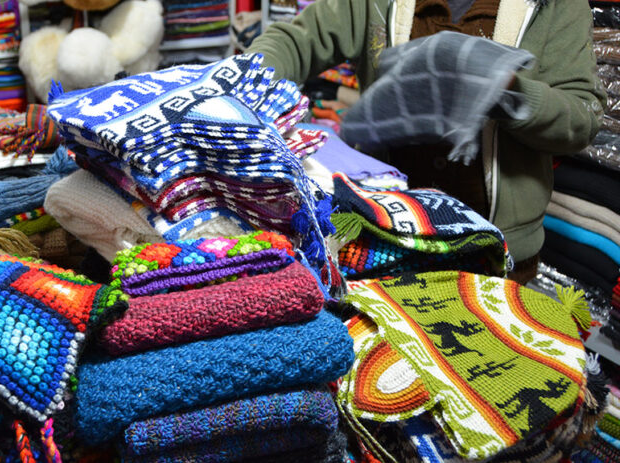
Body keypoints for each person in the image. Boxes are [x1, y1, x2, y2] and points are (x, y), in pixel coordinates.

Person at [247, 0, 607, 283]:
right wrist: (240, 80)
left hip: (499, 256)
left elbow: (581, 118)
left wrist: (509, 90)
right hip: (383, 243)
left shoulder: (553, 5)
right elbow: (296, 41)